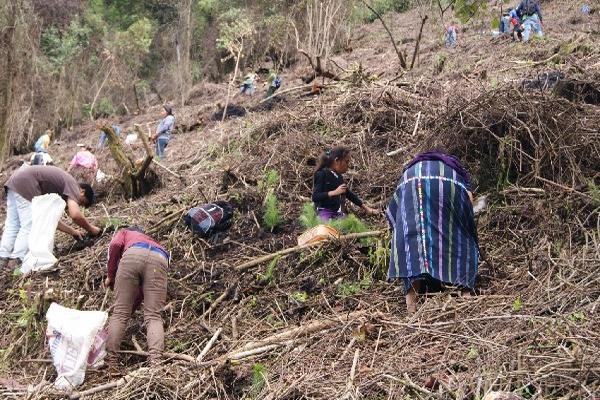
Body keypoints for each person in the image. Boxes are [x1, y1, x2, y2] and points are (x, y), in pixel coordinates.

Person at [386, 150, 479, 314]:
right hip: (448, 185)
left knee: (412, 243)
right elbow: (469, 203)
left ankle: (411, 308)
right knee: (460, 237)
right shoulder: (456, 172)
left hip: (409, 184)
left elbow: (394, 211)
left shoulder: (412, 169)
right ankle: (466, 296)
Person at [0, 166, 101, 269]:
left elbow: (51, 220)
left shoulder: (61, 189)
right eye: (82, 202)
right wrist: (91, 229)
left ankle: (3, 257)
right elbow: (75, 215)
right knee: (29, 225)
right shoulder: (73, 185)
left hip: (16, 180)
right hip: (26, 182)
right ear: (82, 191)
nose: (78, 203)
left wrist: (73, 231)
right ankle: (17, 259)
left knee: (13, 225)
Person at [104, 227, 169, 364]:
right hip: (160, 258)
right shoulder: (152, 241)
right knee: (154, 316)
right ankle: (156, 363)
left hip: (132, 256)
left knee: (120, 313)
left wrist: (111, 275)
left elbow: (115, 245)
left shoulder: (125, 232)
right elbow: (139, 293)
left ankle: (111, 363)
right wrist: (130, 310)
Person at [312, 146, 378, 221]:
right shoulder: (322, 174)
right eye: (346, 162)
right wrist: (334, 192)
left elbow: (349, 194)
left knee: (349, 226)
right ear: (336, 160)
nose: (348, 166)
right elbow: (315, 196)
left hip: (336, 213)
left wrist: (366, 208)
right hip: (323, 212)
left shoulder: (338, 176)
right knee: (328, 229)